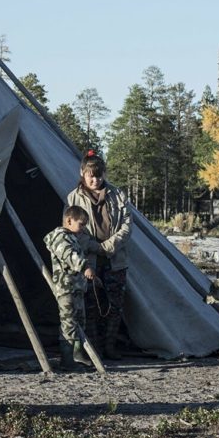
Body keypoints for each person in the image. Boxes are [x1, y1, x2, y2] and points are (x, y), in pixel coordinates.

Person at [66, 149, 131, 360]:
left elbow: (127, 226)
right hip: (89, 260)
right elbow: (72, 229)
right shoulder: (74, 198)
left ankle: (110, 346)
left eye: (98, 175)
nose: (95, 179)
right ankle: (94, 349)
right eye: (90, 175)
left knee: (115, 305)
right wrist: (95, 247)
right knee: (90, 306)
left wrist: (109, 246)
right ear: (83, 174)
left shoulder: (118, 195)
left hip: (115, 260)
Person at [44, 205, 97, 371]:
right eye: (81, 224)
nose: (82, 229)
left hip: (77, 286)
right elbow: (69, 256)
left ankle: (77, 354)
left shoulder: (72, 237)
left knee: (80, 321)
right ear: (69, 220)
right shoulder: (60, 238)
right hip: (66, 287)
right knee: (68, 323)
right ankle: (67, 360)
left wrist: (91, 276)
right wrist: (84, 267)